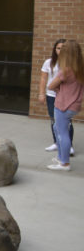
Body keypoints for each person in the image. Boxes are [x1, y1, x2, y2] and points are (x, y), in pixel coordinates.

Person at [46, 40, 84, 171]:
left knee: (62, 133)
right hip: (75, 105)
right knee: (58, 129)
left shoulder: (66, 70)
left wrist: (59, 91)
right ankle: (61, 157)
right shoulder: (80, 68)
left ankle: (64, 163)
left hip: (63, 105)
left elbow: (50, 86)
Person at [39, 39, 74, 155]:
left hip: (66, 97)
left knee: (67, 121)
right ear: (55, 49)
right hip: (51, 96)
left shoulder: (71, 63)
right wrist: (41, 93)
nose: (61, 50)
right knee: (53, 120)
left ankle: (69, 146)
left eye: (64, 48)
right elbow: (44, 79)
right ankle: (56, 143)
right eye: (58, 48)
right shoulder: (48, 63)